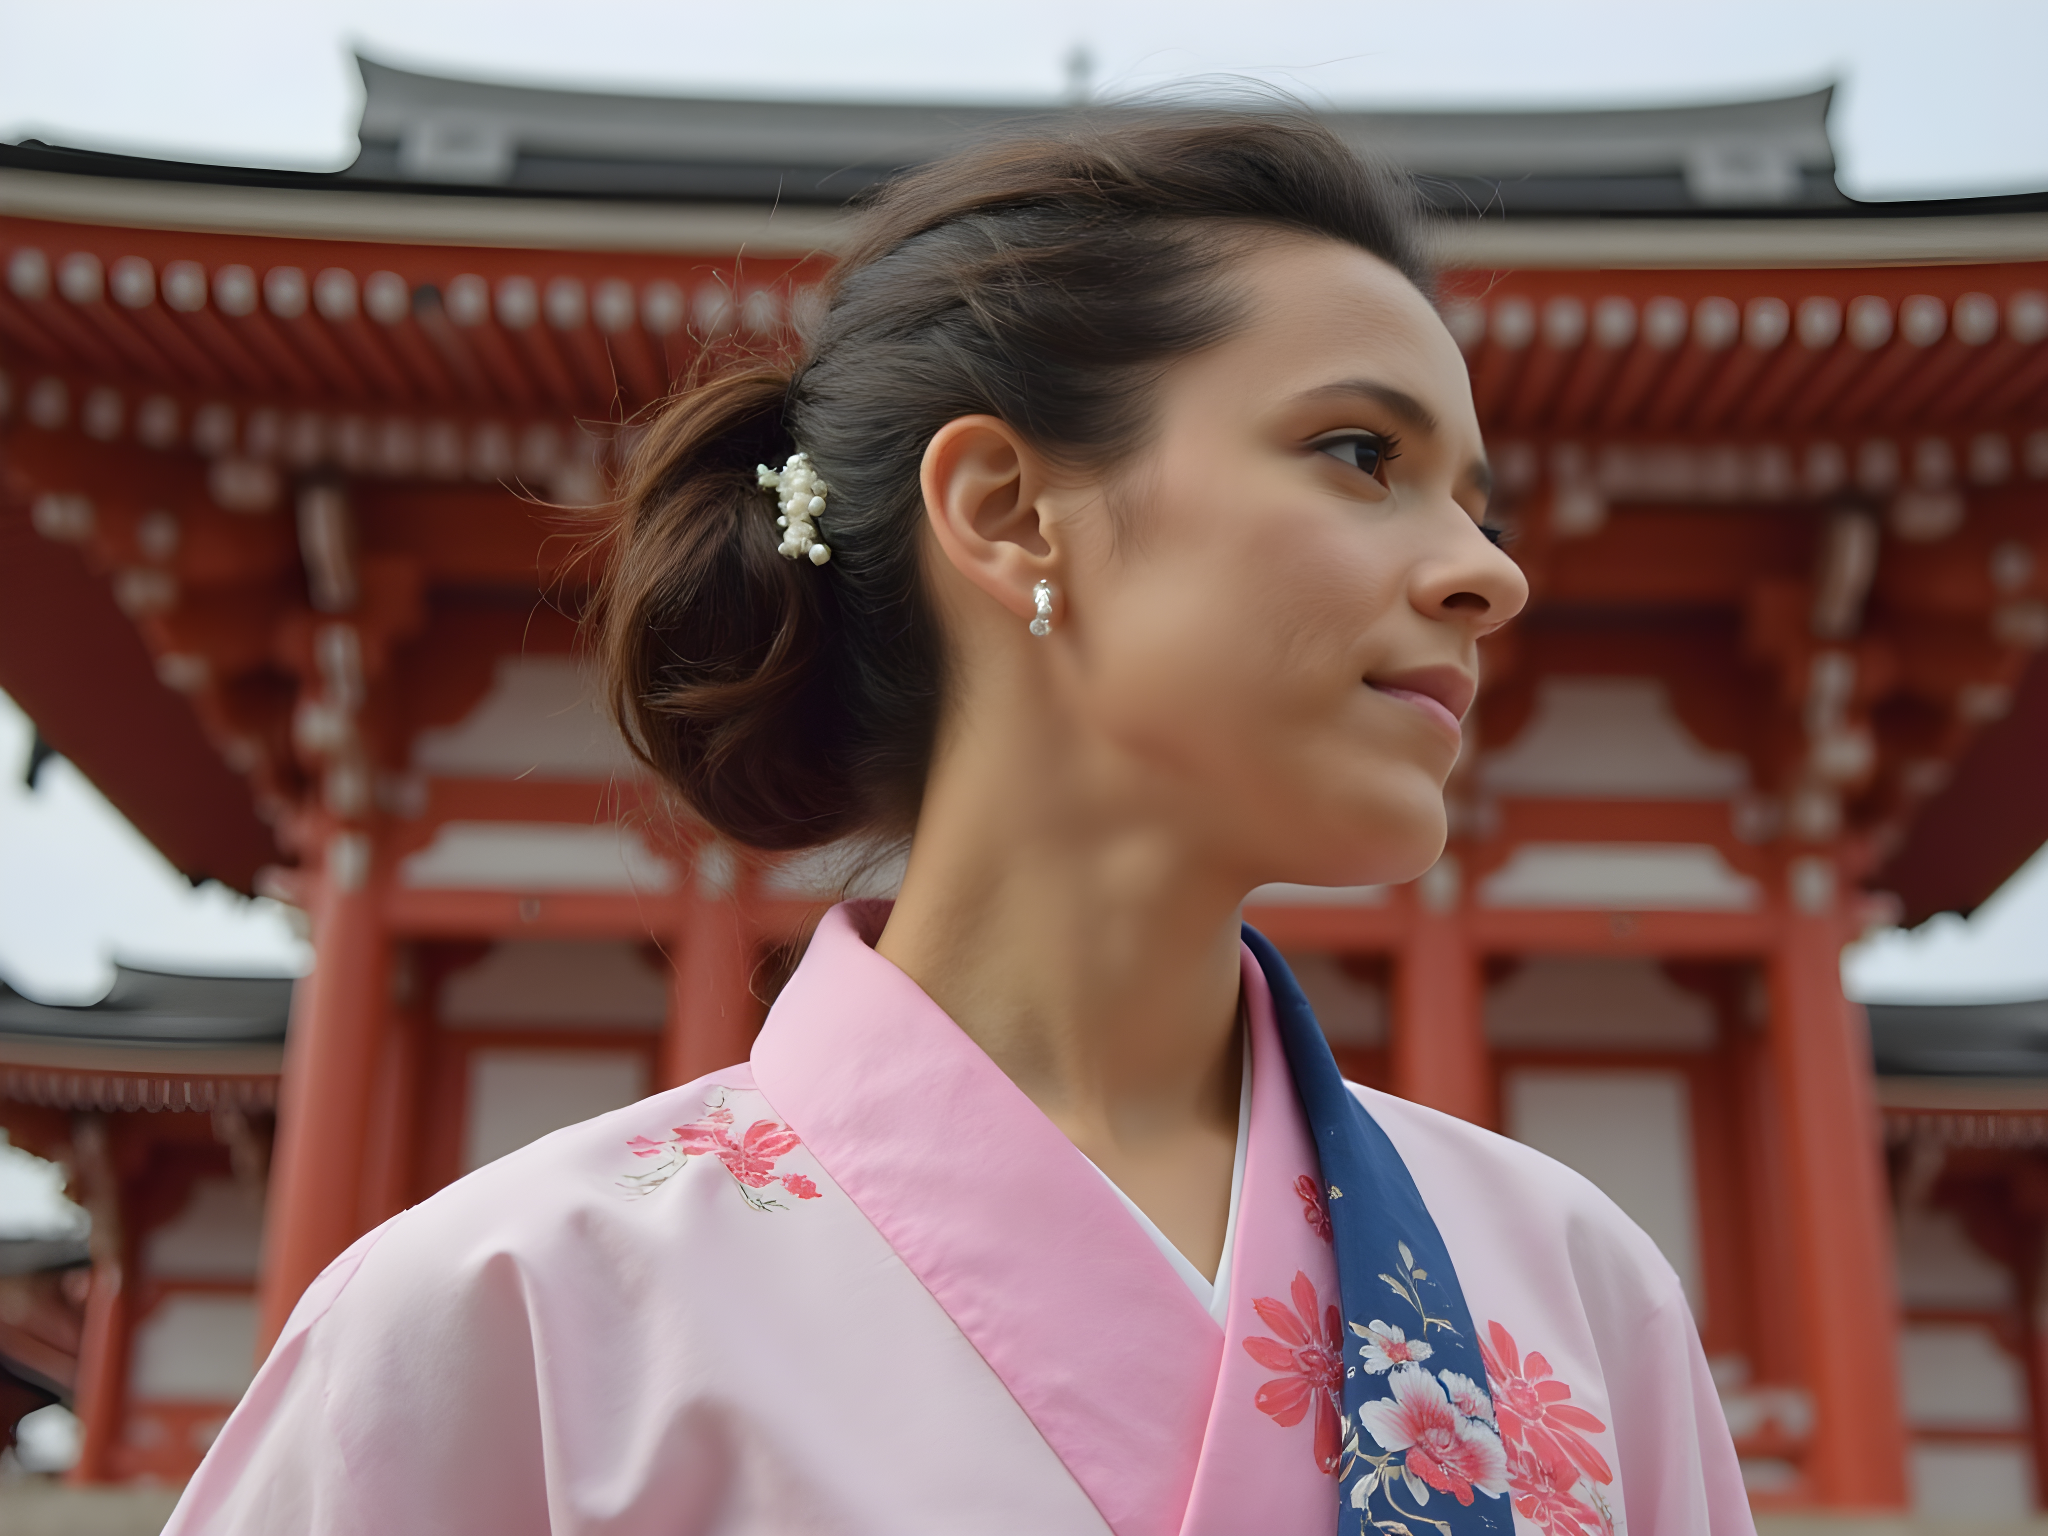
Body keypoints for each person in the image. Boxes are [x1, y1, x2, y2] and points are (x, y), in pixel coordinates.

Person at [166, 114, 1751, 1536]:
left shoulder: (1572, 1286)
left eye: (1483, 505)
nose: (1491, 574)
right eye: (1361, 454)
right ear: (1002, 510)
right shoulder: (506, 1315)